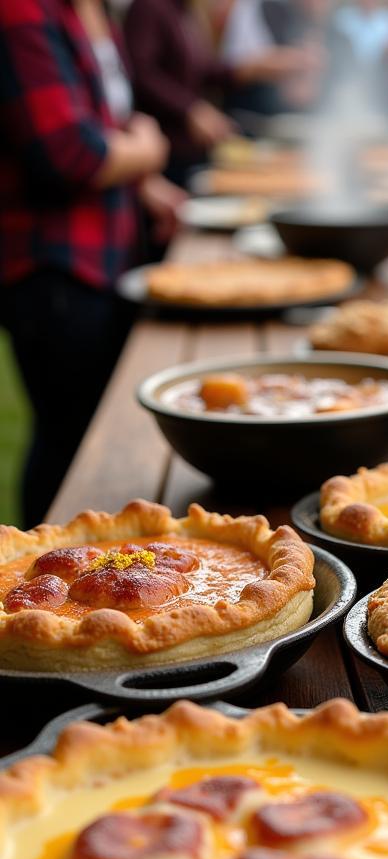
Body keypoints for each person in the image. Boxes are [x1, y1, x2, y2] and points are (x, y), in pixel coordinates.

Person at [0, 0, 179, 526]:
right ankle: (36, 582)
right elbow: (68, 153)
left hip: (104, 257)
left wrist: (145, 184)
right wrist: (148, 151)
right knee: (73, 439)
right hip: (53, 268)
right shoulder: (21, 12)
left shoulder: (91, 11)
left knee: (81, 433)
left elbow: (104, 122)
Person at [124, 0, 310, 181]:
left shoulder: (182, 10)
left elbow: (202, 71)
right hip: (162, 154)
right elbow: (141, 72)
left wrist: (255, 68)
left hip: (189, 151)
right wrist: (190, 109)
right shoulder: (149, 6)